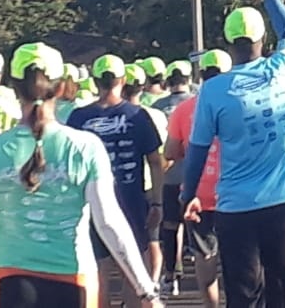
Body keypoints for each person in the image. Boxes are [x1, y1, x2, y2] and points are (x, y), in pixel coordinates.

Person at [0, 43, 162, 308]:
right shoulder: (86, 146)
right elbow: (108, 222)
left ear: (14, 87)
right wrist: (146, 292)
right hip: (73, 278)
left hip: (8, 278)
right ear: (60, 87)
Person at [181, 0, 285, 308]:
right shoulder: (283, 69)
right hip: (283, 204)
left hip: (235, 208)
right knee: (283, 288)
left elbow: (197, 150)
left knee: (243, 294)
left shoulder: (214, 90)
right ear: (261, 40)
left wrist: (188, 194)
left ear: (228, 42)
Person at [68, 55, 164, 308]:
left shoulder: (79, 118)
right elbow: (156, 161)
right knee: (131, 269)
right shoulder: (137, 115)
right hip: (131, 200)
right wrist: (157, 203)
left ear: (95, 81)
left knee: (98, 271)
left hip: (90, 202)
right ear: (122, 80)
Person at [165, 49, 231, 308]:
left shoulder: (184, 109)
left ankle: (211, 305)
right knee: (238, 259)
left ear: (201, 75)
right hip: (236, 193)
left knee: (205, 257)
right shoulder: (239, 104)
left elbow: (170, 151)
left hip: (197, 194)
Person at [123, 64, 169, 289]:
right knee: (152, 241)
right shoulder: (155, 115)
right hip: (153, 185)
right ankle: (152, 286)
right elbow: (164, 154)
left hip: (126, 188)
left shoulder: (136, 115)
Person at [151, 60, 194, 296]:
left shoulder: (158, 107)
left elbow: (161, 148)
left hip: (169, 175)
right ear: (189, 80)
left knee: (170, 226)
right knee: (200, 227)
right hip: (199, 175)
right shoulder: (198, 104)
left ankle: (171, 275)